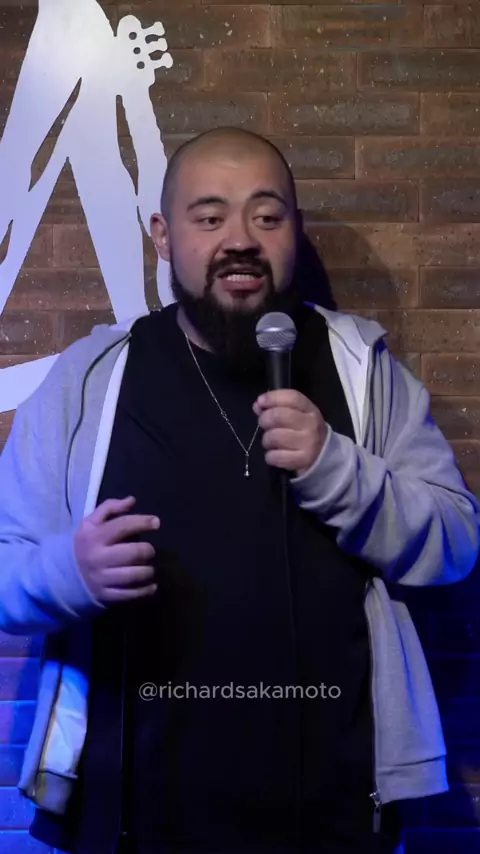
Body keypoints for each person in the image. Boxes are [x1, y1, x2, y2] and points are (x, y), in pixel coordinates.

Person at [0, 127, 478, 854]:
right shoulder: (92, 378)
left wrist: (337, 469)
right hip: (133, 816)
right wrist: (71, 572)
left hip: (335, 812)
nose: (240, 240)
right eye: (209, 216)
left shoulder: (362, 370)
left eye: (266, 215)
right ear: (163, 236)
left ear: (295, 230)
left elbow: (456, 543)